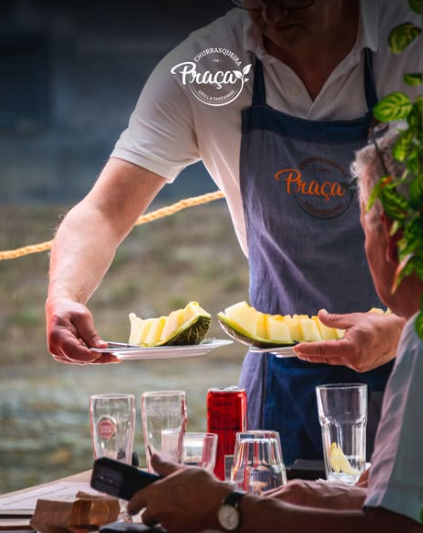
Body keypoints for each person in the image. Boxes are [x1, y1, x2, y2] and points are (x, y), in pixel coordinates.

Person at [46, 0, 421, 464]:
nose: (272, 16)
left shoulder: (410, 46)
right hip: (276, 389)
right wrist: (64, 294)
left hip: (412, 367)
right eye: (254, 1)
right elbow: (104, 210)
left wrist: (402, 329)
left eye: (293, 0)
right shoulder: (204, 68)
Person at [125, 123, 423, 533]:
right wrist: (329, 496)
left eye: (362, 230)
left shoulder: (418, 343)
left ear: (388, 239)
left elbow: (392, 529)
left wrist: (226, 508)